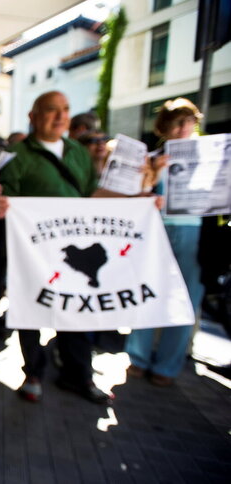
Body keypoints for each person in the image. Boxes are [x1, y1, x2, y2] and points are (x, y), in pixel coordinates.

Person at [0, 91, 114, 405]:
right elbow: (4, 198)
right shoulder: (15, 155)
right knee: (31, 312)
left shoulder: (77, 152)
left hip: (75, 253)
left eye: (65, 109)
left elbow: (91, 194)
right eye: (51, 110)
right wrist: (2, 205)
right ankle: (33, 373)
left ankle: (79, 375)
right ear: (33, 116)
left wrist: (138, 201)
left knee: (77, 312)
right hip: (31, 254)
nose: (60, 116)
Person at [124, 98, 204, 387]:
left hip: (196, 235)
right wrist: (153, 175)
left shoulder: (209, 158)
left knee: (185, 301)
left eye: (188, 122)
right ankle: (138, 357)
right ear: (164, 127)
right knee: (147, 292)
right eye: (176, 122)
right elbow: (135, 194)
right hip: (155, 232)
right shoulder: (151, 159)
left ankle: (168, 366)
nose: (183, 128)